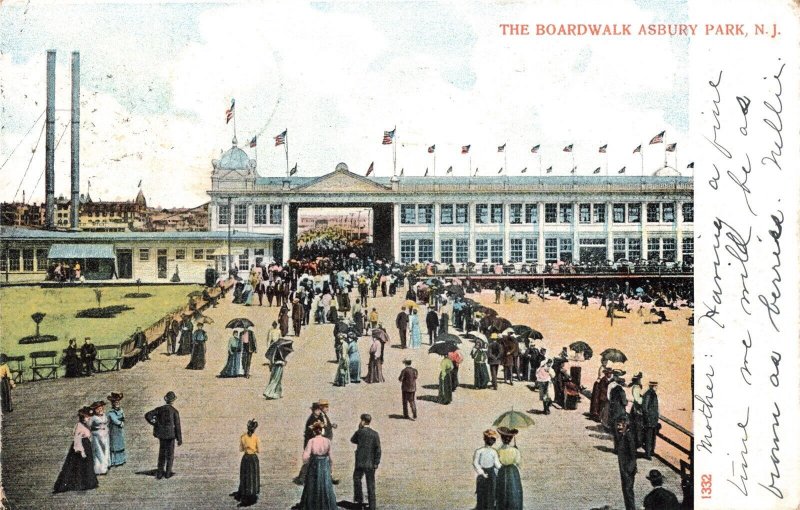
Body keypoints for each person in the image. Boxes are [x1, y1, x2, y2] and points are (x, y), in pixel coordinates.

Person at [53, 406, 99, 493]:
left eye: (89, 417)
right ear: (82, 417)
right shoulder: (79, 426)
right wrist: (81, 451)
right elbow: (77, 440)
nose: (88, 418)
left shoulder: (85, 425)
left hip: (86, 446)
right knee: (78, 466)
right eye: (86, 417)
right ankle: (80, 484)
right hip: (81, 447)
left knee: (87, 465)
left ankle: (88, 482)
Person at [299, 422, 337, 509]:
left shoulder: (311, 441)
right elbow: (331, 457)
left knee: (312, 485)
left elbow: (305, 457)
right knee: (325, 484)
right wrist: (331, 467)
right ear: (322, 431)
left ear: (314, 432)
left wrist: (307, 463)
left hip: (314, 464)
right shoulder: (327, 441)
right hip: (324, 464)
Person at [145, 391, 182, 479]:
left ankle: (160, 473)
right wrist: (179, 439)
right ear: (173, 401)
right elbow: (177, 426)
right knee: (170, 454)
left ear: (166, 399)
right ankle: (168, 473)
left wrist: (154, 423)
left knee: (162, 454)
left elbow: (147, 415)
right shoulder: (175, 411)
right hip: (171, 436)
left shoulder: (159, 409)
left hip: (162, 435)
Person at [351, 414, 381, 510]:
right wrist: (376, 462)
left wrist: (359, 428)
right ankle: (372, 506)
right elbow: (378, 449)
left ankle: (359, 501)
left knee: (357, 479)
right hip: (370, 463)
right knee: (371, 484)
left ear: (363, 421)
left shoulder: (360, 432)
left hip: (360, 462)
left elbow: (353, 440)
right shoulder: (375, 434)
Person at [233, 419, 261, 507]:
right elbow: (259, 450)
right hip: (253, 458)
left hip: (246, 458)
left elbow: (241, 449)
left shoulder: (243, 437)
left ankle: (244, 491)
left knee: (245, 475)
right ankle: (252, 491)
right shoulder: (256, 438)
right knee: (253, 475)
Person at [495, 427, 523, 510]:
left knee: (504, 491)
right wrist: (517, 450)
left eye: (508, 437)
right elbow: (518, 462)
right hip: (511, 472)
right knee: (512, 492)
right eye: (506, 437)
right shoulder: (514, 450)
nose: (507, 439)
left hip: (503, 472)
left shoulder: (498, 450)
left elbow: (496, 464)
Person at [473, 429, 501, 510]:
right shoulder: (479, 451)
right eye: (491, 438)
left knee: (491, 495)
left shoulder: (494, 452)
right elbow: (475, 463)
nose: (492, 441)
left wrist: (505, 467)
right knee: (482, 495)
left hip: (492, 476)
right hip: (482, 476)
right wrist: (481, 473)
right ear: (485, 439)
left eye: (494, 439)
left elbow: (497, 465)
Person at [616, 416, 638, 510]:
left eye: (620, 425)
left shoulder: (629, 437)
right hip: (624, 470)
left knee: (628, 492)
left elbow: (633, 456)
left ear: (625, 425)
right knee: (626, 491)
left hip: (628, 470)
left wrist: (628, 470)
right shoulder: (623, 435)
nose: (618, 428)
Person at [88, 400, 111, 475]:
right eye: (98, 409)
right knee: (98, 451)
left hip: (105, 435)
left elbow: (107, 423)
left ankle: (106, 465)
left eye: (101, 408)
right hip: (96, 436)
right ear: (94, 410)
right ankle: (100, 469)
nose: (100, 410)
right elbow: (89, 426)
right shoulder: (93, 417)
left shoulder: (104, 415)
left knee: (106, 449)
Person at [608, 375, 629, 452]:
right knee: (621, 431)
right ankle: (620, 449)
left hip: (614, 412)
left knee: (616, 431)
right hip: (620, 413)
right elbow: (624, 402)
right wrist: (626, 401)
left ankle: (616, 448)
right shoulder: (621, 391)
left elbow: (610, 398)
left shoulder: (613, 389)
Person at [641, 381, 660, 459]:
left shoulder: (652, 394)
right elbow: (645, 408)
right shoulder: (648, 394)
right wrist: (647, 418)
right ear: (652, 386)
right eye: (655, 386)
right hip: (649, 420)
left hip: (653, 419)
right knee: (648, 437)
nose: (656, 387)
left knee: (652, 437)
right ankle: (648, 454)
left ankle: (651, 452)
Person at [107, 392, 126, 467]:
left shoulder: (120, 410)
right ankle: (114, 461)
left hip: (119, 430)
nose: (117, 403)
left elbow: (123, 417)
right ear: (112, 403)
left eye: (118, 402)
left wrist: (122, 420)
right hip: (114, 430)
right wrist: (120, 423)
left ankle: (121, 460)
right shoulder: (111, 412)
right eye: (115, 402)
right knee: (114, 444)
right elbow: (114, 420)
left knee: (120, 443)